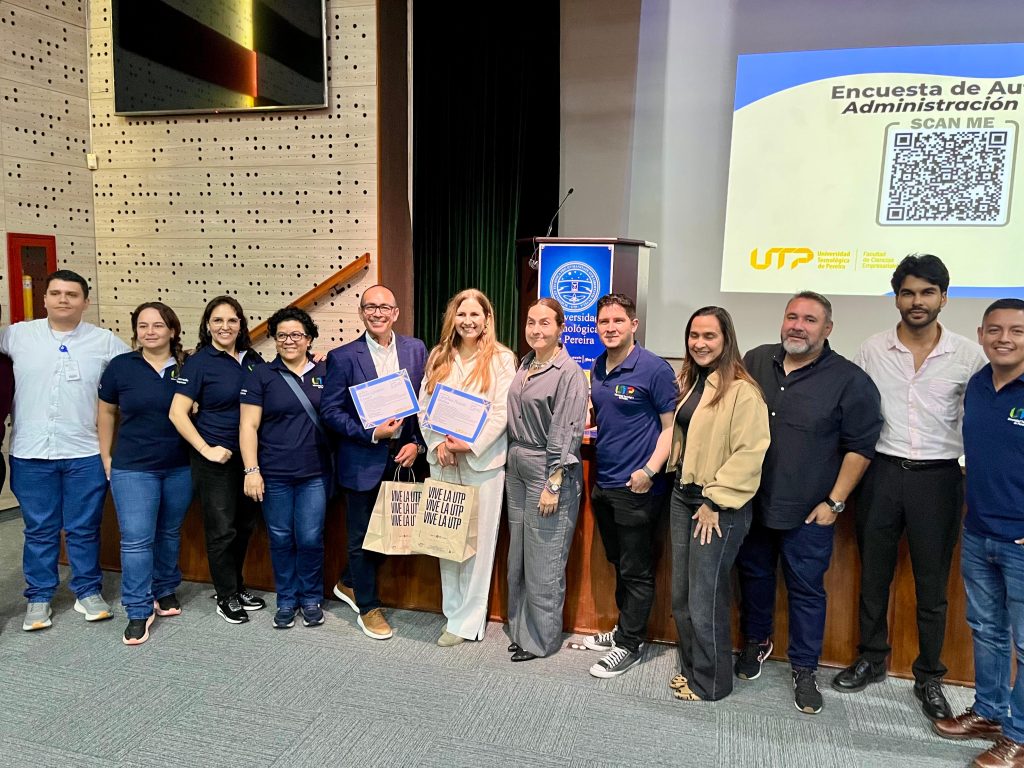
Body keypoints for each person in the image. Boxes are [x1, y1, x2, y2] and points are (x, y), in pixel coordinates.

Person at [832, 255, 985, 721]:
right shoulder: (871, 350)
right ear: (896, 298)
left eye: (927, 292)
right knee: (873, 576)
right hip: (881, 473)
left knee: (932, 585)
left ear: (943, 298)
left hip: (939, 479)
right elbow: (853, 415)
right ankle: (871, 658)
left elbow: (981, 419)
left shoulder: (968, 356)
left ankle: (929, 675)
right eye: (908, 293)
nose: (917, 301)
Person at [735, 291, 882, 714]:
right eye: (792, 316)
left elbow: (860, 448)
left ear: (828, 329)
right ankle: (756, 642)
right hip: (753, 502)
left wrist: (834, 503)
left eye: (810, 320)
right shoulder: (756, 360)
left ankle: (804, 668)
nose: (798, 326)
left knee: (806, 592)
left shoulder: (850, 380)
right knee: (754, 578)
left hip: (810, 512)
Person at [0, 269, 129, 631]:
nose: (63, 300)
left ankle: (87, 591)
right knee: (39, 529)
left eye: (72, 295)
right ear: (44, 299)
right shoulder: (16, 335)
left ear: (85, 302)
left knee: (83, 528)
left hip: (84, 452)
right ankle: (39, 597)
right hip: (31, 452)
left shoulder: (104, 341)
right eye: (56, 293)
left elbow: (139, 369)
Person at [933, 298, 1024, 768]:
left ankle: (1019, 738)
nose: (1004, 338)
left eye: (1017, 331)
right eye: (995, 329)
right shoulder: (978, 383)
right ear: (981, 334)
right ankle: (989, 712)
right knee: (987, 630)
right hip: (979, 530)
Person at [665, 306, 770, 701]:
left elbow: (750, 453)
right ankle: (693, 670)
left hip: (716, 506)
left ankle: (711, 683)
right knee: (682, 596)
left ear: (726, 340)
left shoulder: (743, 391)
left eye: (709, 336)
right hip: (683, 496)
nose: (700, 343)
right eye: (694, 335)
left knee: (704, 598)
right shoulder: (694, 381)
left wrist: (714, 500)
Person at [320, 284, 427, 640]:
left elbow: (423, 404)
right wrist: (370, 433)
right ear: (362, 313)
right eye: (370, 307)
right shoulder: (342, 357)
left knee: (396, 535)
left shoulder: (415, 349)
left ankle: (349, 582)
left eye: (384, 307)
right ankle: (368, 606)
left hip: (403, 461)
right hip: (361, 460)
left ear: (395, 313)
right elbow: (330, 411)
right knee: (361, 537)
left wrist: (416, 444)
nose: (377, 313)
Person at [585, 293, 677, 678]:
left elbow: (671, 428)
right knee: (619, 562)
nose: (610, 328)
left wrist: (650, 471)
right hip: (604, 482)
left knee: (637, 569)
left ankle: (629, 644)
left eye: (618, 321)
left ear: (633, 325)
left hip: (638, 487)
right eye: (604, 322)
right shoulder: (598, 366)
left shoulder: (654, 369)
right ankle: (625, 628)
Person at [419, 289, 516, 646]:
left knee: (478, 545)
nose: (468, 321)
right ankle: (452, 614)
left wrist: (470, 444)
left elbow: (502, 412)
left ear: (487, 319)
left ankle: (468, 622)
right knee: (447, 541)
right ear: (453, 318)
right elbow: (424, 406)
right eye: (462, 314)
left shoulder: (503, 359)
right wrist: (437, 443)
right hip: (444, 461)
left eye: (475, 314)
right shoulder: (439, 355)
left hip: (481, 464)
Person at [98, 302, 191, 645]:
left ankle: (165, 589)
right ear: (136, 331)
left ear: (172, 330)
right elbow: (106, 412)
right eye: (143, 326)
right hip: (133, 467)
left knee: (169, 532)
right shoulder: (121, 367)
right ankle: (138, 609)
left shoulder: (187, 366)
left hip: (180, 466)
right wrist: (106, 456)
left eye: (158, 325)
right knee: (137, 539)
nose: (150, 332)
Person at [169, 295, 266, 624]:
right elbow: (177, 413)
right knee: (222, 530)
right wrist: (205, 449)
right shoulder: (199, 362)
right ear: (207, 326)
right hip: (215, 460)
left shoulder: (252, 359)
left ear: (241, 324)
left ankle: (236, 586)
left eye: (232, 320)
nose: (225, 326)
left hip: (249, 458)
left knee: (245, 526)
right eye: (218, 320)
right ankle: (225, 595)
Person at [504, 298, 589, 662]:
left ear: (560, 328)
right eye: (531, 322)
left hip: (548, 468)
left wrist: (554, 483)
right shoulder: (525, 364)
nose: (536, 329)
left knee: (545, 559)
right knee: (520, 556)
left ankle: (541, 640)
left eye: (544, 323)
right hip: (517, 465)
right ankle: (520, 629)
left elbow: (566, 432)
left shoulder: (569, 372)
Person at [239, 307, 332, 630]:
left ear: (309, 339)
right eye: (282, 335)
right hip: (274, 473)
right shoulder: (261, 375)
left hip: (315, 473)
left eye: (296, 335)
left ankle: (311, 598)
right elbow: (248, 426)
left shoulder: (326, 372)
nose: (289, 341)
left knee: (310, 538)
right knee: (280, 538)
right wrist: (251, 470)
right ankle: (287, 599)